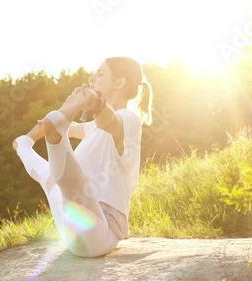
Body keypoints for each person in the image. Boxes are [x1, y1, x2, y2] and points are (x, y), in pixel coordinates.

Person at [12, 57, 153, 257]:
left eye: (101, 73)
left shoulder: (130, 120)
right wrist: (43, 128)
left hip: (99, 231)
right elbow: (73, 127)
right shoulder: (95, 127)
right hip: (70, 226)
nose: (91, 77)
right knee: (49, 174)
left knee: (69, 182)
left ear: (120, 82)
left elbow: (109, 121)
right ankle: (23, 144)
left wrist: (95, 105)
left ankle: (43, 139)